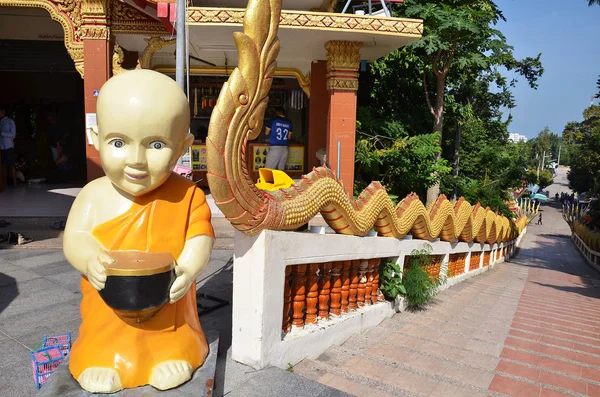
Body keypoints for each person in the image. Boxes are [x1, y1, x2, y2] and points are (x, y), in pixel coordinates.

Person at [63, 70, 215, 393]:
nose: (136, 161)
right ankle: (103, 357)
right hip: (108, 310)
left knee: (174, 339)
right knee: (102, 337)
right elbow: (74, 238)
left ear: (182, 147)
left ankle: (170, 352)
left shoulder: (188, 196)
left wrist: (188, 268)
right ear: (95, 136)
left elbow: (199, 237)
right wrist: (89, 259)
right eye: (118, 142)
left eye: (156, 144)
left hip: (169, 311)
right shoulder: (93, 195)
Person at [264, 106, 292, 170]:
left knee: (269, 171)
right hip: (285, 149)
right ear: (284, 113)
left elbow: (266, 133)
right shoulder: (289, 122)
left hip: (275, 149)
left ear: (276, 112)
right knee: (280, 171)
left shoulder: (273, 119)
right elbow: (289, 137)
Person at [0, 105, 17, 187]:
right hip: (1, 146)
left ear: (3, 111)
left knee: (11, 165)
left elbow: (13, 134)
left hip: (9, 146)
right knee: (3, 165)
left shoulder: (10, 121)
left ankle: (15, 184)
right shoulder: (0, 122)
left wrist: (2, 133)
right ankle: (4, 184)